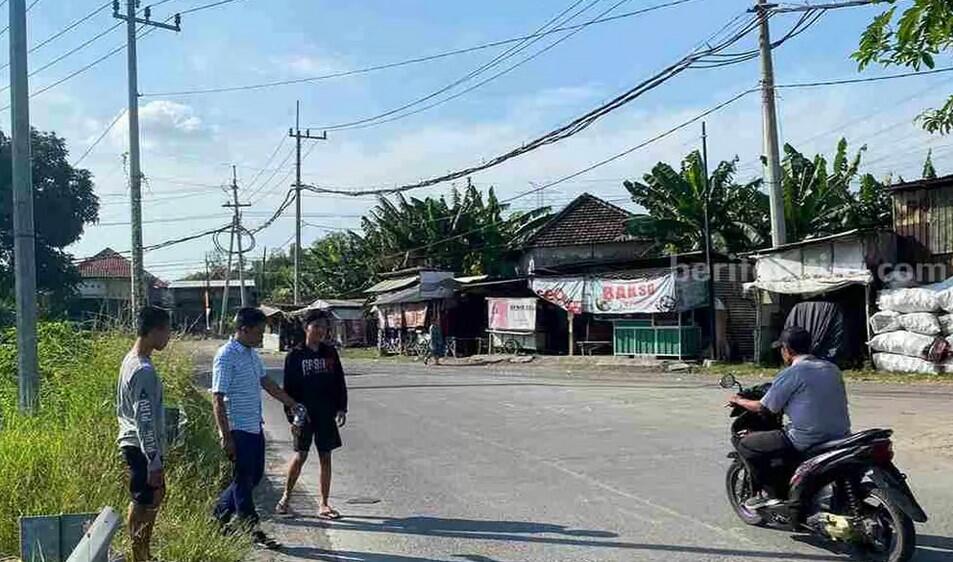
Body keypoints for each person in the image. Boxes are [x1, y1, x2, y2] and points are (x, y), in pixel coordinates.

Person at [727, 326, 852, 509]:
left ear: (787, 350)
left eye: (781, 349)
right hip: (841, 436)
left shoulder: (793, 372)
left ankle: (773, 495)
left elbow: (763, 407)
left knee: (747, 443)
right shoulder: (831, 368)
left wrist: (739, 400)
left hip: (806, 439)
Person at [211, 307, 300, 549]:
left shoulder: (251, 354)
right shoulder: (226, 355)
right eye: (258, 332)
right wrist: (225, 435)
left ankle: (218, 515)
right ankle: (252, 529)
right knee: (242, 479)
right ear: (243, 329)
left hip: (254, 425)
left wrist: (290, 402)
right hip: (237, 428)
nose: (261, 336)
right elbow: (217, 398)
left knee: (255, 476)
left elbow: (266, 382)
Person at [275, 310, 348, 519]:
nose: (321, 331)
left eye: (324, 327)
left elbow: (339, 381)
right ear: (306, 328)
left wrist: (342, 407)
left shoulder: (330, 353)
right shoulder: (295, 356)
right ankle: (285, 498)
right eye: (316, 326)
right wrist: (292, 418)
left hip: (326, 414)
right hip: (304, 415)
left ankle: (324, 504)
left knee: (326, 457)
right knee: (301, 456)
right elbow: (288, 389)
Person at [116, 305, 172, 562]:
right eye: (167, 330)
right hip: (141, 445)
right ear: (154, 330)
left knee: (149, 497)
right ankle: (139, 555)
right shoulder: (143, 370)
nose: (169, 337)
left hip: (134, 443)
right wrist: (154, 461)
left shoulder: (131, 360)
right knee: (145, 501)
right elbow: (145, 420)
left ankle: (143, 553)